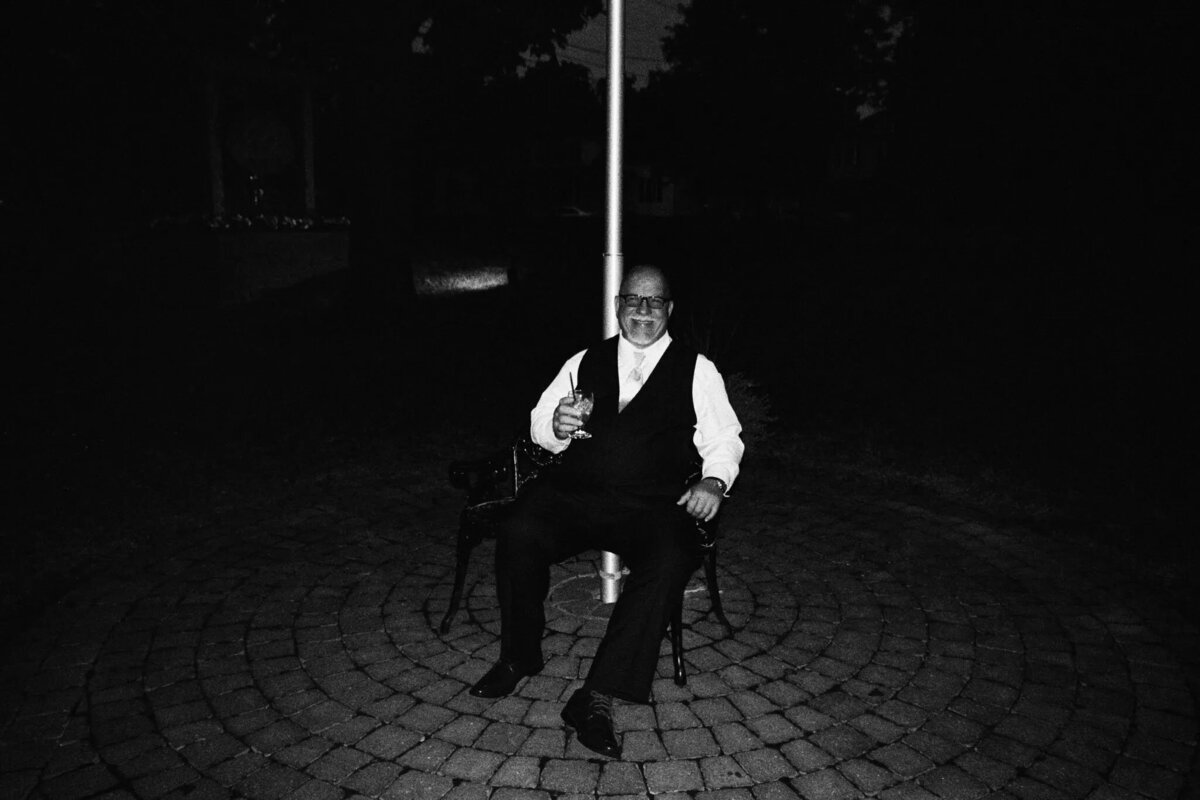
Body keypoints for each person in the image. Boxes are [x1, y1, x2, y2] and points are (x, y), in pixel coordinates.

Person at [469, 264, 744, 759]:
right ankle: (519, 656)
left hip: (650, 504)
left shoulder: (697, 369)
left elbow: (725, 437)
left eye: (654, 301)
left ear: (669, 309)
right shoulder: (584, 360)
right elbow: (540, 425)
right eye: (633, 299)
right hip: (577, 494)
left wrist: (714, 480)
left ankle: (596, 694)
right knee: (519, 528)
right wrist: (555, 426)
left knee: (672, 556)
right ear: (618, 306)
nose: (643, 310)